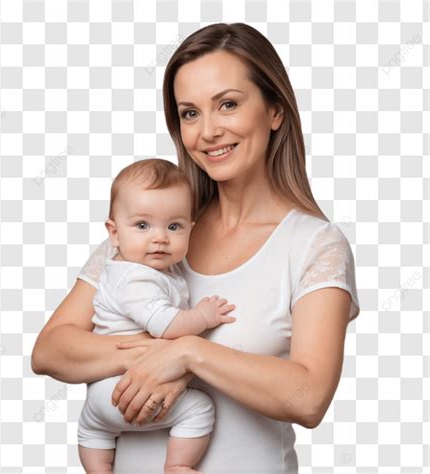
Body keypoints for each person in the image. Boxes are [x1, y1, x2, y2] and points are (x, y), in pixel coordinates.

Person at [32, 23, 360, 473]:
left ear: (275, 111)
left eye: (227, 104)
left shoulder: (315, 245)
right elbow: (50, 349)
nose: (207, 131)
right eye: (189, 113)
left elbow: (308, 397)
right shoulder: (155, 232)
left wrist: (189, 353)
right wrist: (157, 354)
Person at [77, 158, 236, 473]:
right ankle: (178, 465)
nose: (160, 237)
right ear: (114, 232)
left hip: (100, 396)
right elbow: (165, 325)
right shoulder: (135, 277)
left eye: (174, 226)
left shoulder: (145, 269)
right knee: (199, 409)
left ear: (190, 228)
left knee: (93, 431)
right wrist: (203, 316)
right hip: (123, 389)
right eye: (142, 225)